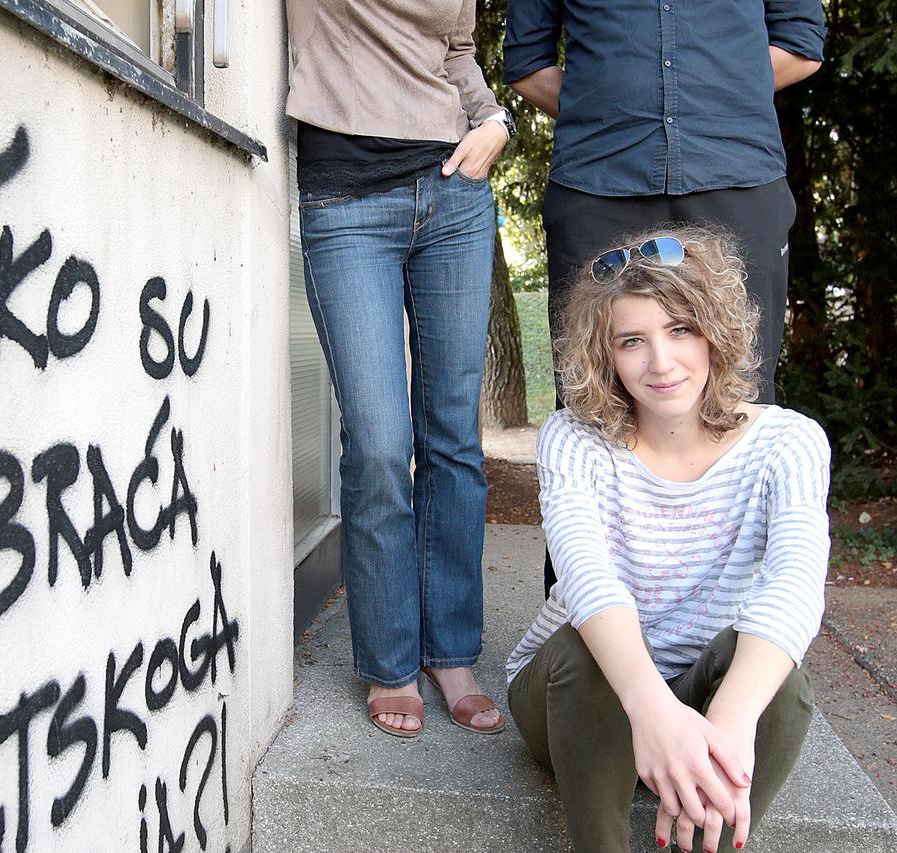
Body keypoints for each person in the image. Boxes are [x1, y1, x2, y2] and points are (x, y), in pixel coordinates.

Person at [506, 226, 830, 853]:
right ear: (606, 356)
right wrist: (652, 713)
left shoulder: (788, 444)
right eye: (632, 341)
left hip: (703, 691)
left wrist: (731, 723)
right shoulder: (575, 440)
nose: (661, 362)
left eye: (680, 330)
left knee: (783, 690)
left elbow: (795, 579)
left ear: (716, 330)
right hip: (575, 695)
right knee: (583, 646)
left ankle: (706, 834)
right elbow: (585, 578)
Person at [503, 0, 826, 594]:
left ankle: (742, 629)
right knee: (594, 402)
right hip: (598, 183)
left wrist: (714, 101)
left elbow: (802, 44)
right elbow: (526, 63)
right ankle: (589, 626)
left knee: (739, 397)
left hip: (737, 177)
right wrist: (610, 113)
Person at [285, 0, 516, 737]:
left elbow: (455, 49)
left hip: (454, 194)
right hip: (345, 199)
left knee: (452, 435)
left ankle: (450, 651)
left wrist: (495, 123)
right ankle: (390, 659)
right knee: (381, 443)